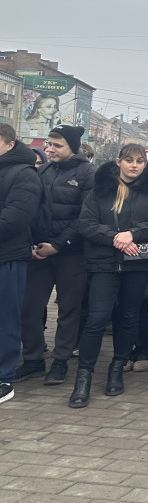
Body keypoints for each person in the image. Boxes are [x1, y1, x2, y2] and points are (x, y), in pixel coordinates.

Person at [69, 144, 148, 408]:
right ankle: (84, 376)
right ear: (118, 162)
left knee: (129, 317)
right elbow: (86, 224)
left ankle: (117, 368)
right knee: (97, 319)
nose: (134, 165)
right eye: (129, 160)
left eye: (139, 161)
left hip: (137, 265)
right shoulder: (100, 190)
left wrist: (133, 234)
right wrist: (115, 238)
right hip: (103, 263)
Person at [16, 125, 93, 385]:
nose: (50, 149)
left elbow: (86, 217)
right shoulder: (44, 170)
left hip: (72, 253)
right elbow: (29, 210)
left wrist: (59, 245)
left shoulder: (88, 173)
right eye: (48, 144)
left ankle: (60, 361)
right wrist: (31, 244)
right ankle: (33, 359)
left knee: (68, 310)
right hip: (39, 252)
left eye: (57, 145)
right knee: (29, 308)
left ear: (73, 147)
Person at [0, 124, 42, 404]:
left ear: (10, 144)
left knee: (5, 318)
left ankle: (4, 376)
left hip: (7, 257)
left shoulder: (24, 174)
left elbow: (14, 218)